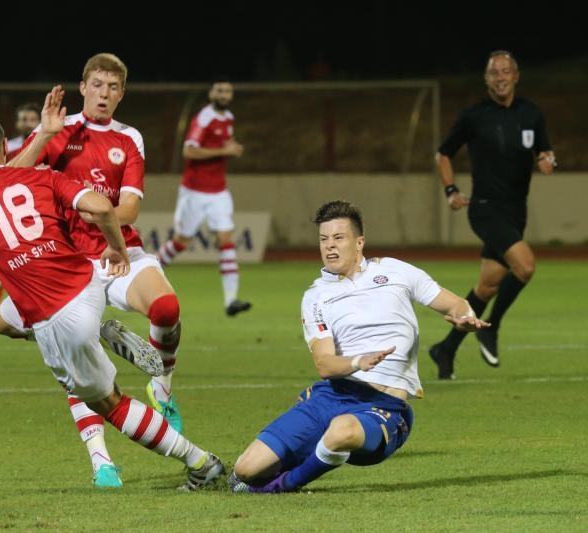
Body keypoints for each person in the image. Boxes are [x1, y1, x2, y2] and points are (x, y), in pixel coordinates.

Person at [0, 109, 224, 492]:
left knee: (107, 403)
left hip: (58, 316)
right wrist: (117, 249)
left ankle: (200, 463)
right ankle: (98, 333)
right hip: (88, 277)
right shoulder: (42, 177)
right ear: (2, 144)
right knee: (2, 322)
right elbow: (103, 207)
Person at [0, 53, 185, 488]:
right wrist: (44, 135)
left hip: (120, 253)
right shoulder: (57, 132)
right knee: (25, 333)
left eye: (113, 87)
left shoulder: (130, 137)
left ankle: (162, 387)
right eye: (97, 85)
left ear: (122, 93)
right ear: (83, 87)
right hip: (66, 263)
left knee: (166, 307)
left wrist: (99, 219)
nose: (104, 94)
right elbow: (6, 182)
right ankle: (101, 460)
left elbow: (131, 207)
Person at [227, 200, 489, 493]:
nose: (330, 246)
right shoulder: (316, 296)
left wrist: (465, 318)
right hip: (333, 395)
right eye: (324, 240)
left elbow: (453, 304)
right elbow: (324, 364)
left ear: (359, 242)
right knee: (245, 468)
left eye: (338, 238)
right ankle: (287, 462)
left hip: (384, 405)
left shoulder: (395, 271)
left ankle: (285, 484)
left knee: (342, 430)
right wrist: (357, 362)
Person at [428, 50, 556, 380]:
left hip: (516, 212)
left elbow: (544, 153)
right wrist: (451, 190)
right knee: (525, 267)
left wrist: (546, 162)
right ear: (486, 79)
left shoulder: (531, 114)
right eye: (493, 72)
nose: (500, 76)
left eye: (506, 71)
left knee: (486, 287)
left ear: (516, 76)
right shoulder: (474, 116)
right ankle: (491, 327)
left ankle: (446, 348)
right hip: (485, 209)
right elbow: (443, 153)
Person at [156, 77, 251, 317]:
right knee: (181, 243)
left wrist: (230, 148)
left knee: (226, 240)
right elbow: (188, 150)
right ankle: (148, 271)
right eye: (219, 89)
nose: (224, 94)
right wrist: (224, 150)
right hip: (194, 192)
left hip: (218, 190)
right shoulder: (204, 117)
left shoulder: (228, 118)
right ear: (211, 93)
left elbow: (222, 145)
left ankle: (231, 301)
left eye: (228, 90)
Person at [0, 102, 41, 307]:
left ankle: (3, 282)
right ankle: (8, 284)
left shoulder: (50, 143)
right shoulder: (8, 147)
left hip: (44, 202)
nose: (26, 123)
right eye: (23, 119)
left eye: (31, 119)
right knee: (25, 251)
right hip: (18, 206)